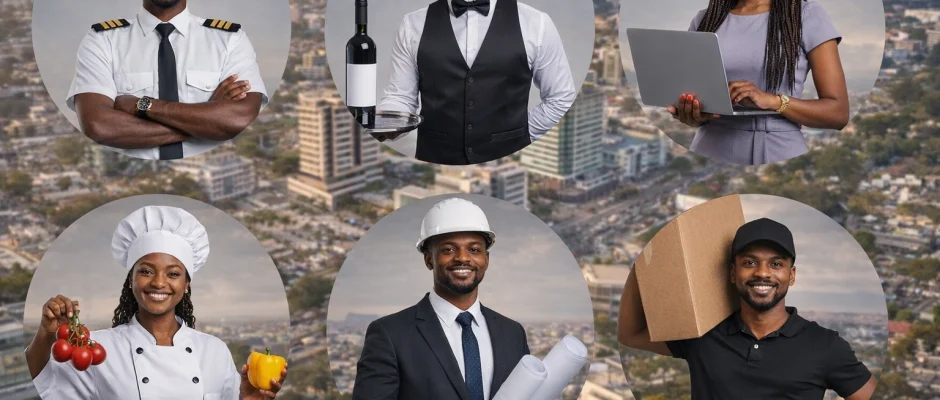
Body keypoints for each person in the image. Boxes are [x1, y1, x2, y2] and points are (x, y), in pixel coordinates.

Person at [25, 206, 287, 400]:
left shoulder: (214, 351)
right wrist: (46, 333)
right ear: (131, 280)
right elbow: (46, 381)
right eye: (146, 271)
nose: (159, 283)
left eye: (173, 274)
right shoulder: (99, 348)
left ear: (186, 285)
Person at [617, 218, 877, 399]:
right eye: (750, 262)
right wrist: (639, 268)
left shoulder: (824, 345)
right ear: (733, 272)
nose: (762, 273)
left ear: (792, 275)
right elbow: (630, 334)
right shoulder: (704, 334)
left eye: (776, 264)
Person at [352, 198, 530, 399]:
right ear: (429, 259)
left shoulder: (513, 334)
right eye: (448, 249)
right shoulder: (390, 335)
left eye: (474, 250)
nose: (462, 257)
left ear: (486, 260)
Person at [378, 0, 577, 165]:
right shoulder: (412, 23)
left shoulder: (537, 23)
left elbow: (561, 98)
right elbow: (400, 97)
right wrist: (379, 125)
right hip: (436, 158)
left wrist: (521, 134)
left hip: (506, 161)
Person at [68, 0, 269, 160]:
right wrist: (208, 122)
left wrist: (143, 105)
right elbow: (98, 126)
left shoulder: (230, 40)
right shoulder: (102, 40)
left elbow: (241, 119)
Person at [667, 0, 849, 165]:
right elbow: (696, 94)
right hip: (708, 149)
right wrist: (693, 114)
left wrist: (773, 101)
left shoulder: (806, 14)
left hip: (776, 151)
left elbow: (838, 114)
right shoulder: (705, 19)